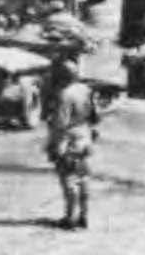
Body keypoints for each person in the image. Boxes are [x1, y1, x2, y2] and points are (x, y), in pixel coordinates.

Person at [46, 56, 101, 230]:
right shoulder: (85, 89)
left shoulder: (64, 95)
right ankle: (84, 216)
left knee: (69, 180)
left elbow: (60, 124)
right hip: (85, 137)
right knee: (83, 179)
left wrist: (54, 146)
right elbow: (95, 116)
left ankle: (70, 218)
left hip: (69, 141)